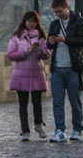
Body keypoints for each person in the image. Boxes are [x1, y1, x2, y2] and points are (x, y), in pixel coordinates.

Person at [46, 0, 83, 141]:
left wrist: (66, 40)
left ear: (67, 7)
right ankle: (60, 130)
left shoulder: (79, 21)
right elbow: (49, 45)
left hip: (73, 67)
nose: (58, 15)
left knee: (74, 100)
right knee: (57, 101)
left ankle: (77, 128)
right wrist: (51, 42)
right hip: (57, 67)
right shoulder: (55, 24)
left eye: (60, 11)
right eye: (56, 12)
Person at [6, 10, 51, 140]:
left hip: (36, 72)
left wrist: (38, 50)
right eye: (29, 21)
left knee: (37, 102)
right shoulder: (16, 37)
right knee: (23, 104)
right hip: (21, 74)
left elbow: (46, 54)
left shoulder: (41, 37)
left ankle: (38, 124)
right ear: (24, 22)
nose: (31, 24)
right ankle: (25, 130)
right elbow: (11, 54)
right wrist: (26, 52)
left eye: (34, 22)